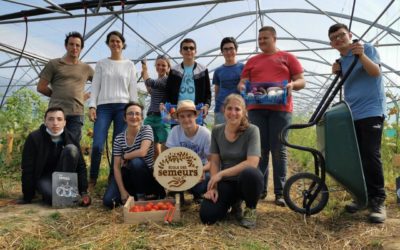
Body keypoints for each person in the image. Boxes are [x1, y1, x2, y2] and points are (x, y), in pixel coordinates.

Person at [238, 26, 305, 206]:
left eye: (265, 38)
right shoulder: (252, 61)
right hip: (256, 108)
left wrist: (292, 85)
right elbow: (243, 82)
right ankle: (259, 189)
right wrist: (242, 87)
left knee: (279, 149)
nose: (261, 42)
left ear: (274, 38)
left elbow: (301, 80)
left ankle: (280, 192)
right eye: (259, 39)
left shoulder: (288, 57)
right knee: (260, 151)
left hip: (281, 109)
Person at [329, 23, 387, 223]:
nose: (339, 39)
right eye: (334, 38)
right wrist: (337, 71)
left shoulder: (366, 48)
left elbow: (375, 73)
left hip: (371, 110)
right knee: (357, 158)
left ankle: (378, 200)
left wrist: (361, 55)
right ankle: (362, 198)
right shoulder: (342, 61)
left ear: (350, 35)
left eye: (341, 35)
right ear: (331, 44)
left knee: (371, 155)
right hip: (351, 113)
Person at [199, 94, 263, 228]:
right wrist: (214, 187)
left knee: (251, 173)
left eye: (237, 109)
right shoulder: (217, 130)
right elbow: (215, 162)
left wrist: (221, 174)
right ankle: (233, 204)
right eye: (229, 108)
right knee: (207, 217)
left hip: (246, 182)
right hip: (227, 183)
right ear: (224, 109)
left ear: (244, 112)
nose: (233, 113)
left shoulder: (252, 130)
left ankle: (250, 209)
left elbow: (252, 162)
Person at [88, 31, 138, 188]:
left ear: (123, 44)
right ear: (108, 44)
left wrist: (134, 110)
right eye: (112, 41)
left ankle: (112, 178)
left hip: (123, 108)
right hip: (103, 107)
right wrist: (92, 106)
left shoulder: (129, 65)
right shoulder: (101, 63)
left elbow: (133, 89)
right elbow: (95, 86)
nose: (115, 43)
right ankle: (93, 179)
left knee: (119, 144)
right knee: (97, 144)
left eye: (118, 41)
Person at [20, 107, 90, 206]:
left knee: (71, 149)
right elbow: (27, 167)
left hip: (65, 178)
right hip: (44, 178)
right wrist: (27, 196)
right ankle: (61, 196)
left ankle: (70, 194)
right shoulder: (34, 138)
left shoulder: (71, 138)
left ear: (65, 122)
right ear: (45, 121)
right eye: (51, 119)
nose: (55, 123)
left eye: (59, 119)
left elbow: (81, 165)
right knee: (54, 200)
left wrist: (83, 191)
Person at [103, 102, 165, 208]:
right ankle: (132, 195)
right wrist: (122, 191)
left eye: (137, 114)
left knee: (136, 161)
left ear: (141, 117)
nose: (134, 116)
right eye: (130, 114)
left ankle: (141, 196)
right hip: (129, 176)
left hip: (146, 176)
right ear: (124, 118)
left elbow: (142, 152)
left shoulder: (147, 129)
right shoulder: (119, 139)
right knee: (109, 201)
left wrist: (125, 156)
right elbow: (116, 167)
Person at [37, 31, 94, 142]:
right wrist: (57, 95)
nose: (74, 47)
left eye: (77, 45)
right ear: (66, 46)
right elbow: (41, 87)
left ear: (81, 48)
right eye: (71, 44)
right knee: (53, 146)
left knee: (72, 147)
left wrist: (87, 96)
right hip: (56, 113)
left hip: (76, 113)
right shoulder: (54, 64)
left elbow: (100, 84)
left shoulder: (86, 68)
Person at [165, 100, 211, 202]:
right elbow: (169, 158)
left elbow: (213, 162)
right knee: (167, 172)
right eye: (182, 116)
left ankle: (198, 194)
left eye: (189, 115)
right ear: (178, 119)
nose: (186, 119)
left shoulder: (205, 134)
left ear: (195, 116)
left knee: (204, 181)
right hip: (181, 169)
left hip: (200, 169)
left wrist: (201, 170)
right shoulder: (175, 131)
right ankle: (178, 195)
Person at [163, 38, 211, 119]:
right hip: (177, 111)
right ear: (181, 51)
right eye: (185, 48)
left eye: (191, 48)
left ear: (195, 51)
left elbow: (208, 93)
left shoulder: (203, 70)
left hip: (196, 111)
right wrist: (171, 110)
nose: (188, 50)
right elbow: (168, 92)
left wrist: (206, 106)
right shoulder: (174, 70)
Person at [141, 55, 171, 158]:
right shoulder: (158, 81)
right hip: (151, 115)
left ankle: (165, 167)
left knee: (165, 142)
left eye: (163, 65)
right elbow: (151, 91)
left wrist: (144, 68)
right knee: (153, 144)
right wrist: (145, 78)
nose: (160, 67)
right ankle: (157, 168)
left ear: (168, 67)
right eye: (158, 65)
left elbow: (150, 82)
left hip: (163, 116)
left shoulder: (166, 80)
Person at [213, 37, 244, 125]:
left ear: (236, 50)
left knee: (239, 136)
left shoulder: (243, 68)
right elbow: (216, 91)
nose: (228, 52)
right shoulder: (218, 71)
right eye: (225, 49)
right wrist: (219, 105)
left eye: (231, 48)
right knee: (221, 136)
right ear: (222, 52)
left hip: (238, 109)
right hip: (221, 110)